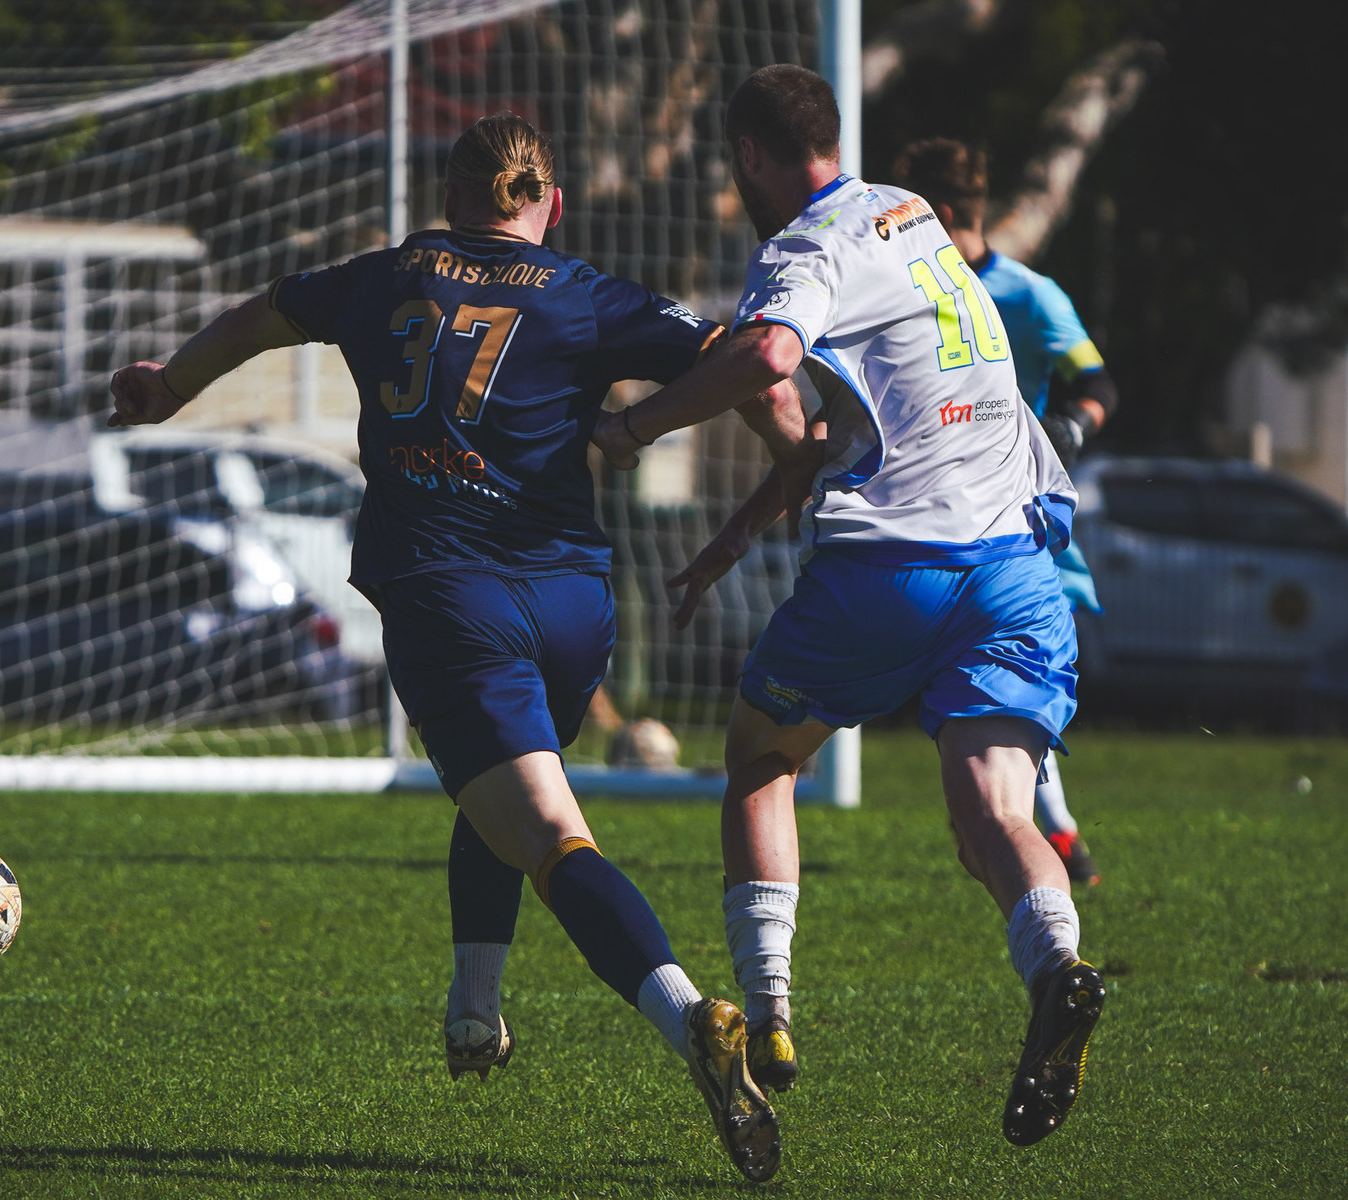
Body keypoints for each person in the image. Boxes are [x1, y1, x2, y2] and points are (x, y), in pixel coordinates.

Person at [107, 113, 787, 1183]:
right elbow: (749, 361)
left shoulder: (381, 276)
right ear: (548, 203)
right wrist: (783, 450)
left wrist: (172, 386)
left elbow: (266, 314)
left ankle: (688, 1014)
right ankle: (473, 1010)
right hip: (570, 603)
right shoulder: (585, 291)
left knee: (552, 835)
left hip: (446, 601)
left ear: (448, 195)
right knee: (503, 795)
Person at [594, 66, 1105, 1147]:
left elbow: (770, 356)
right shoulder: (909, 214)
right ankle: (1056, 966)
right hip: (1015, 559)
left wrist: (632, 429)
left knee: (761, 762)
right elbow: (858, 422)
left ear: (743, 158)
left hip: (895, 567)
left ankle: (769, 1011)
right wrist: (736, 533)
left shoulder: (803, 246)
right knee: (994, 813)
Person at [894, 137, 1120, 886]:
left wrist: (1069, 428)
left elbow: (1096, 384)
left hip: (1017, 520)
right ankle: (1037, 833)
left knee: (1010, 683)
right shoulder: (901, 290)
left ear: (943, 212)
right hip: (926, 518)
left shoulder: (1029, 294)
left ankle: (1047, 833)